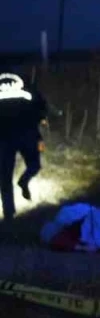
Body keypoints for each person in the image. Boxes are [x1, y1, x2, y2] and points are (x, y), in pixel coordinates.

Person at [0, 72, 48, 221]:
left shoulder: (27, 86)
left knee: (4, 177)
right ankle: (24, 181)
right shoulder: (27, 85)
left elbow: (41, 106)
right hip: (28, 135)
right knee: (35, 165)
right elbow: (41, 106)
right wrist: (41, 119)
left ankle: (9, 213)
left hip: (4, 138)